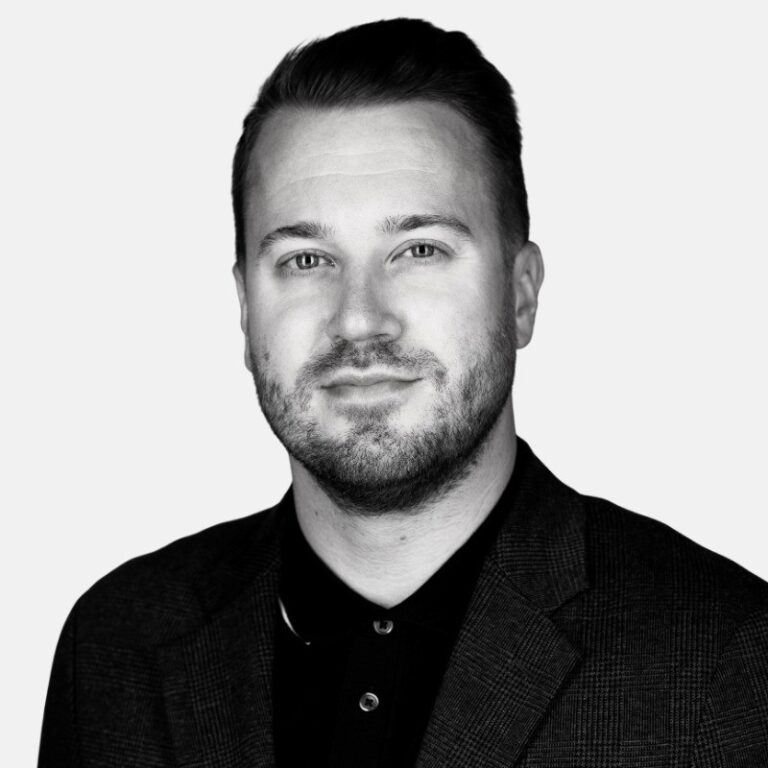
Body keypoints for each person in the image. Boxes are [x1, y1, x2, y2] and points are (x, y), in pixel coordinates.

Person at [38, 17, 768, 768]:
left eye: (419, 250)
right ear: (246, 310)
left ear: (521, 295)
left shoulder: (728, 663)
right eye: (306, 259)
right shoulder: (117, 649)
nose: (359, 318)